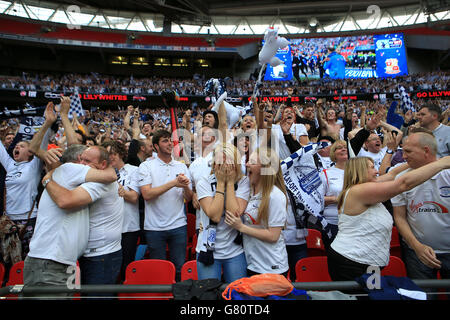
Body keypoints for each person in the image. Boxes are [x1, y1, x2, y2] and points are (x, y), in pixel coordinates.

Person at [328, 155, 450, 281]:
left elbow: (393, 175)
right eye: (372, 168)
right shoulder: (358, 191)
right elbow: (403, 184)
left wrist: (417, 160)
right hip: (351, 263)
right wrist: (440, 164)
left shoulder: (366, 186)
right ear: (360, 171)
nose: (376, 171)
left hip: (365, 263)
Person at [24, 144, 117, 297]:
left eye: (86, 161)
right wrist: (46, 180)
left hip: (63, 263)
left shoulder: (69, 178)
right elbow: (111, 175)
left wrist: (48, 178)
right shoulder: (70, 169)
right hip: (50, 263)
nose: (83, 165)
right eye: (82, 160)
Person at [391, 130, 450, 283]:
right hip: (417, 253)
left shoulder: (448, 174)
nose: (403, 156)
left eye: (408, 151)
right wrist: (416, 246)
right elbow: (399, 216)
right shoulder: (401, 179)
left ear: (426, 150)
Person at [138, 129, 193, 281]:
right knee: (160, 271)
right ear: (155, 146)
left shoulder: (181, 167)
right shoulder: (146, 166)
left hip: (178, 225)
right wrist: (174, 183)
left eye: (170, 140)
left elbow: (188, 198)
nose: (169, 143)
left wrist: (186, 187)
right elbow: (147, 195)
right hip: (154, 228)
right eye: (164, 140)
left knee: (180, 269)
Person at [225, 147, 289, 277]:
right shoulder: (249, 189)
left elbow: (273, 236)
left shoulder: (275, 196)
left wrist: (241, 227)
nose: (247, 164)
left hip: (272, 266)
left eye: (252, 162)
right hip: (252, 263)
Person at [196, 143, 250, 283]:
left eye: (228, 161)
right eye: (220, 161)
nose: (224, 165)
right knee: (208, 295)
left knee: (237, 294)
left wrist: (230, 183)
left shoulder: (243, 181)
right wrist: (221, 183)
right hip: (207, 250)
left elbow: (234, 214)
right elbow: (214, 215)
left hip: (234, 251)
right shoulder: (204, 182)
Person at [103, 140, 140, 283]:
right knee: (110, 267)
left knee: (126, 266)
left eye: (113, 154)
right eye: (107, 154)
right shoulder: (101, 173)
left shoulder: (133, 170)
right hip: (108, 228)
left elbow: (133, 197)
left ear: (121, 154)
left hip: (128, 227)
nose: (110, 157)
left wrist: (116, 185)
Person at [319, 140, 348, 249]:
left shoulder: (356, 172)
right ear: (333, 154)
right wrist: (335, 199)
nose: (344, 149)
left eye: (345, 147)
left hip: (353, 222)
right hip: (333, 222)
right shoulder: (326, 173)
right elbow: (317, 199)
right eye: (339, 148)